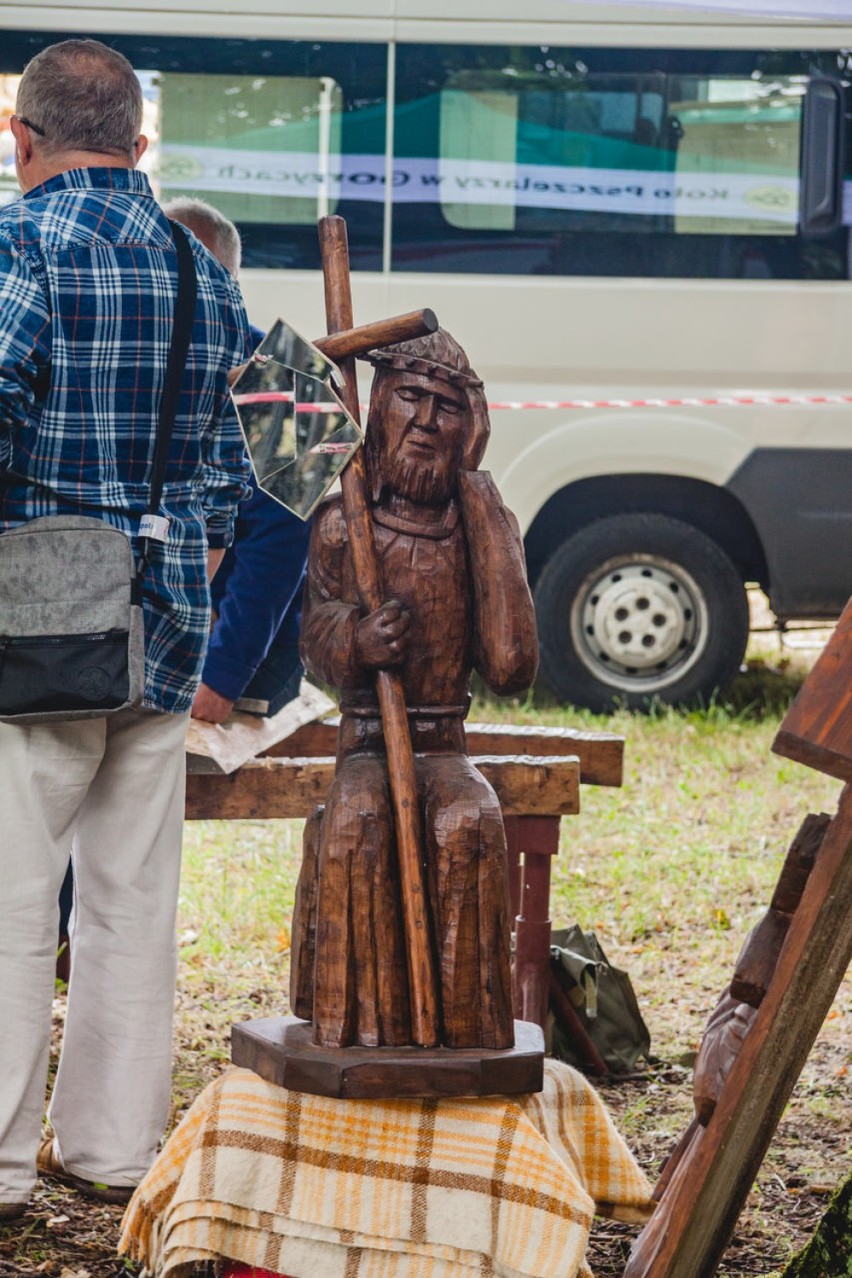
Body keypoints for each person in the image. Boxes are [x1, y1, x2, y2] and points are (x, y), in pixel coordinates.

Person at [0, 40, 251, 1219]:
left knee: (6, 904)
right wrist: (176, 542)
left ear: (21, 141)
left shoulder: (22, 244)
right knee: (132, 902)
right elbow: (238, 464)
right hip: (166, 626)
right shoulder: (203, 266)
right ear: (140, 144)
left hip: (33, 623)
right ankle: (108, 1153)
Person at [292, 328, 539, 1050]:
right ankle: (358, 1028)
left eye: (448, 407)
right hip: (367, 741)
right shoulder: (345, 523)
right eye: (411, 398)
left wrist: (487, 509)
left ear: (473, 427)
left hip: (444, 744)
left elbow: (511, 666)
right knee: (356, 822)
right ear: (377, 404)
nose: (428, 422)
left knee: (469, 823)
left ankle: (461, 1030)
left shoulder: (477, 529)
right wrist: (356, 641)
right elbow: (313, 641)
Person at [161, 198, 312, 725]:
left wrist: (221, 677)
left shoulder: (283, 374)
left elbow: (284, 542)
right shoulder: (150, 351)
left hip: (243, 652)